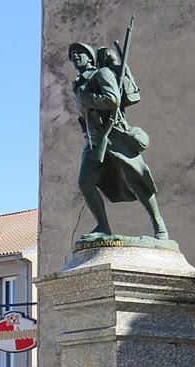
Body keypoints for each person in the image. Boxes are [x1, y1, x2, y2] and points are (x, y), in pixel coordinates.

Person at [69, 42, 169, 240]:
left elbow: (112, 99)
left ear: (90, 58)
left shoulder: (101, 74)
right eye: (72, 55)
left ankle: (160, 227)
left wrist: (86, 97)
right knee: (85, 182)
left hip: (114, 134)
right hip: (94, 141)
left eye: (80, 53)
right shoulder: (79, 84)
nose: (75, 57)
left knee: (137, 179)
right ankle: (103, 227)